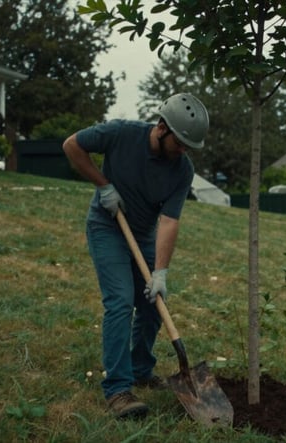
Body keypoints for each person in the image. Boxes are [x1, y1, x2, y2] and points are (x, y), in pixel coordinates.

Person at [62, 93, 209, 419]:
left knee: (154, 304)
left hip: (143, 234)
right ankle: (118, 389)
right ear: (161, 128)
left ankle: (141, 369)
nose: (183, 150)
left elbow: (170, 221)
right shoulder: (120, 133)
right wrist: (103, 185)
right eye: (180, 142)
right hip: (106, 225)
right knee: (119, 300)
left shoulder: (182, 169)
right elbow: (72, 145)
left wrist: (161, 272)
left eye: (189, 145)